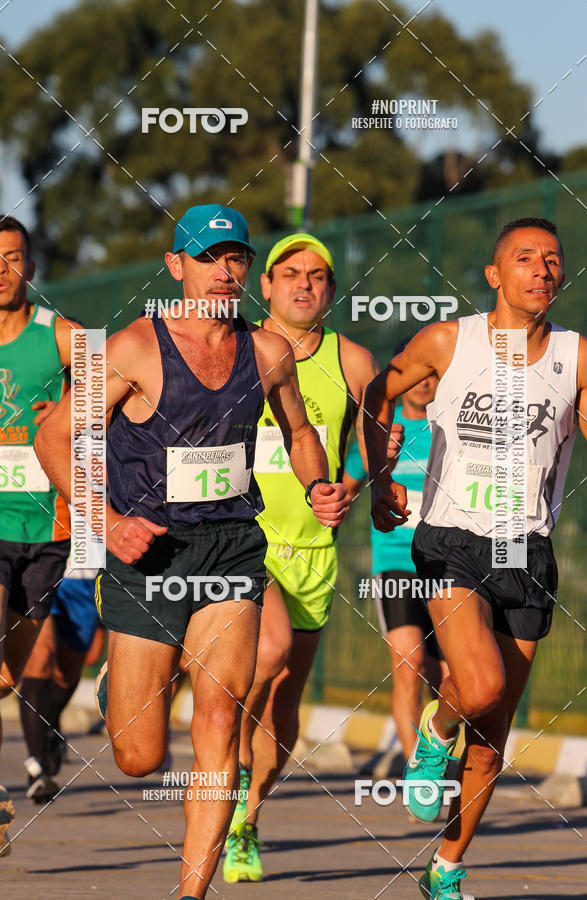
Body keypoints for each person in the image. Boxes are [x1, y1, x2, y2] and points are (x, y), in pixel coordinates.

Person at [34, 204, 349, 900]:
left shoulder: (267, 352)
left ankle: (190, 893)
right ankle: (124, 680)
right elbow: (54, 436)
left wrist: (318, 485)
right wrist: (107, 521)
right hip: (147, 552)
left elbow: (300, 433)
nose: (223, 271)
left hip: (232, 548)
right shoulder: (136, 348)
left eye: (234, 257)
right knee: (139, 755)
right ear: (176, 266)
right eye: (207, 258)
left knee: (219, 717)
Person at [364, 217, 587, 899]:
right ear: (495, 274)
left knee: (494, 732)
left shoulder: (578, 357)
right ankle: (436, 730)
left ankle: (446, 866)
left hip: (526, 548)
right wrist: (380, 478)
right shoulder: (450, 341)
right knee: (482, 685)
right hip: (452, 539)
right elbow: (377, 393)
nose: (541, 270)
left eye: (552, 259)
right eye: (525, 258)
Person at [223, 233, 400, 884]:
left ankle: (246, 819)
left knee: (284, 702)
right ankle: (223, 749)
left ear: (331, 289)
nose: (304, 284)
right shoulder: (233, 347)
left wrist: (358, 486)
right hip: (241, 537)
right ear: (265, 285)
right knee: (265, 652)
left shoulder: (352, 359)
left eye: (318, 275)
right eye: (290, 273)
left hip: (312, 550)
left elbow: (372, 445)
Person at [0, 215, 78, 856]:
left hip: (49, 527)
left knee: (8, 674)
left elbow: (120, 389)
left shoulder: (60, 335)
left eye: (12, 257)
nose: (1, 270)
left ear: (30, 264)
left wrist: (77, 412)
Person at [343, 341, 447, 766]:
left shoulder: (451, 427)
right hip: (396, 564)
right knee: (410, 666)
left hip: (446, 565)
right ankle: (417, 772)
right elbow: (345, 488)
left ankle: (440, 755)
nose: (423, 384)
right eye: (415, 375)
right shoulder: (382, 432)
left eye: (432, 375)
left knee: (449, 680)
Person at [19, 560, 100, 802]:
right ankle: (38, 768)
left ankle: (49, 724)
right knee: (40, 657)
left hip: (87, 575)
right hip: (42, 565)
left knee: (67, 672)